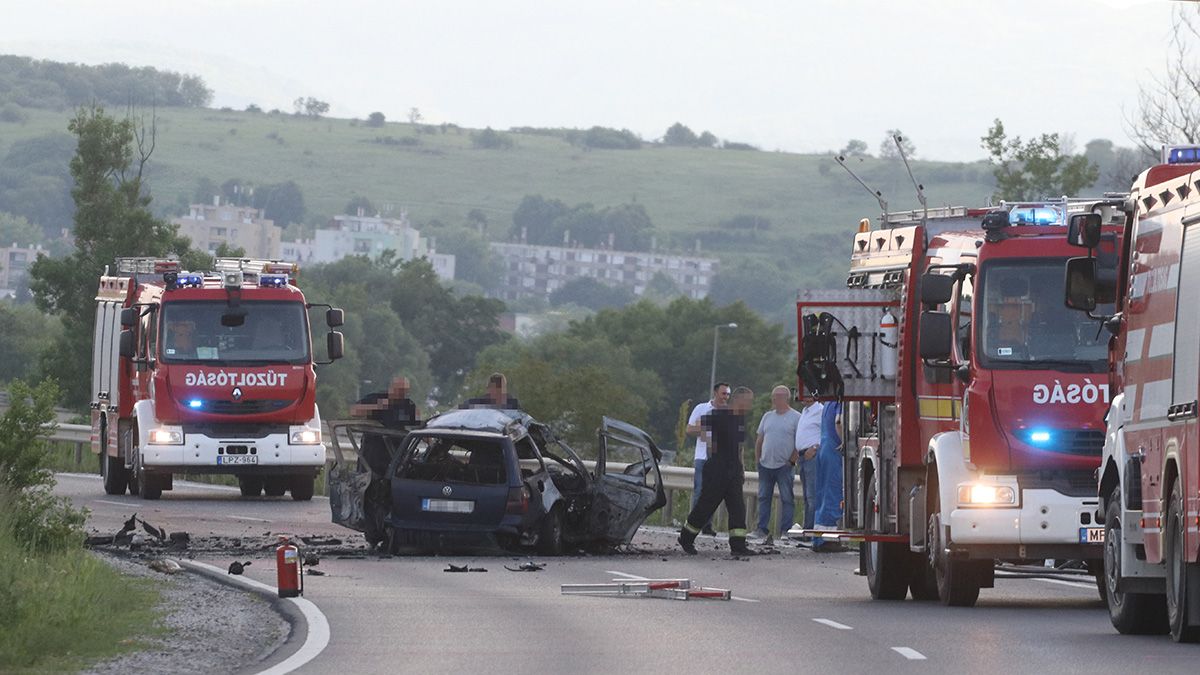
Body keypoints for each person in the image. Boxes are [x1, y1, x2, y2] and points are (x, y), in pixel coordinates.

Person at [679, 386, 755, 556]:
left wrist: (741, 469)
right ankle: (686, 537)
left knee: (737, 507)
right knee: (706, 505)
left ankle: (738, 545)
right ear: (739, 400)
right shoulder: (719, 415)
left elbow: (739, 447)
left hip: (733, 469)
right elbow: (696, 428)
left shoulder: (740, 419)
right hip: (717, 467)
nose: (750, 404)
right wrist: (712, 446)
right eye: (748, 400)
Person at [750, 386, 801, 543]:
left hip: (784, 466)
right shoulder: (767, 416)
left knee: (787, 498)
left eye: (777, 397)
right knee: (764, 497)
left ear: (786, 398)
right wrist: (758, 459)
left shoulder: (796, 417)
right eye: (773, 396)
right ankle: (761, 528)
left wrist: (792, 460)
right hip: (765, 464)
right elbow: (760, 439)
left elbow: (799, 442)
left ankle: (786, 530)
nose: (774, 400)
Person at [685, 382, 731, 536]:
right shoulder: (701, 408)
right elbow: (690, 429)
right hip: (702, 456)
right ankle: (691, 524)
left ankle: (707, 525)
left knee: (713, 492)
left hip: (720, 457)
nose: (726, 397)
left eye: (728, 394)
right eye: (724, 393)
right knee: (699, 491)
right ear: (716, 393)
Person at [812, 399, 844, 553]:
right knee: (833, 493)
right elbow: (839, 422)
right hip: (834, 450)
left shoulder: (828, 403)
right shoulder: (841, 401)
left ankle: (818, 538)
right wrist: (845, 442)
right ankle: (828, 538)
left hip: (824, 447)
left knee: (822, 494)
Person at [793, 393, 824, 542]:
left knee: (812, 496)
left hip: (812, 456)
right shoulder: (805, 411)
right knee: (806, 496)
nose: (804, 397)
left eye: (808, 394)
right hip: (802, 457)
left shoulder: (820, 410)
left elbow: (826, 433)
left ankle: (812, 532)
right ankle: (806, 529)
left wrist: (815, 448)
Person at [351, 376, 420, 430]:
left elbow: (418, 427)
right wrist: (378, 406)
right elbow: (354, 412)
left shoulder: (409, 406)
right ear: (391, 388)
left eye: (403, 391)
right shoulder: (375, 398)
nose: (400, 393)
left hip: (399, 446)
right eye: (398, 390)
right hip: (374, 444)